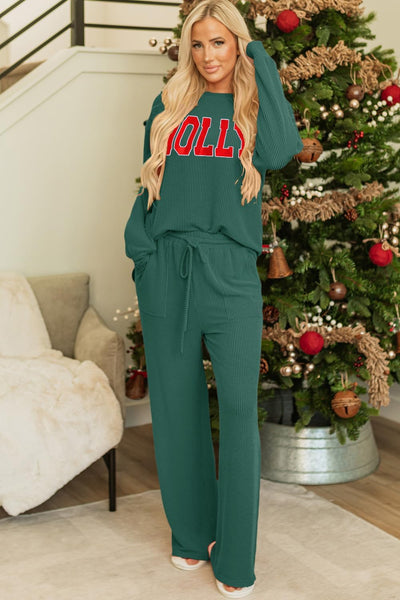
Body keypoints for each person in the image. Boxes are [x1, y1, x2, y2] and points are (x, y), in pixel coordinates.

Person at [124, 0, 303, 596]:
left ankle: (235, 560)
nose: (207, 56)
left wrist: (259, 57)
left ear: (237, 44)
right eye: (197, 44)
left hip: (229, 271)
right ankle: (190, 535)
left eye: (220, 42)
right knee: (176, 409)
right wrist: (143, 255)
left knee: (240, 413)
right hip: (167, 267)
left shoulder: (251, 109)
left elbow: (282, 150)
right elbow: (150, 185)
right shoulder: (170, 104)